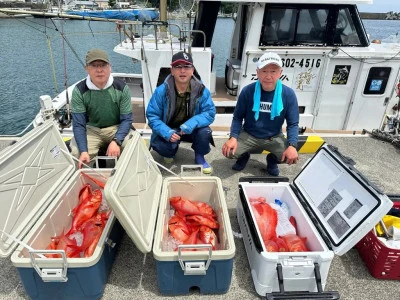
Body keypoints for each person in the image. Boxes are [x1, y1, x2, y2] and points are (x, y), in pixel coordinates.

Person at [222, 52, 299, 176]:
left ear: (280, 72)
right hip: (249, 134)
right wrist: (233, 137)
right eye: (264, 71)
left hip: (273, 136)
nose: (268, 76)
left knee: (291, 156)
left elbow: (293, 124)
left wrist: (292, 145)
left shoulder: (288, 94)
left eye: (273, 71)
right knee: (229, 151)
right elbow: (237, 118)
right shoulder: (247, 91)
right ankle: (243, 156)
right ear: (257, 72)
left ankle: (272, 160)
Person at [146, 51, 216, 174]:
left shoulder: (202, 90)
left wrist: (190, 124)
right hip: (170, 129)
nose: (182, 71)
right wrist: (166, 132)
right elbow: (152, 116)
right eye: (178, 67)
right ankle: (169, 152)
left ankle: (199, 156)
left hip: (191, 129)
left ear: (192, 70)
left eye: (186, 66)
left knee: (205, 131)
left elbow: (209, 113)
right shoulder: (161, 91)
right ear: (172, 71)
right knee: (163, 147)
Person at [70, 48, 133, 168]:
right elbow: (79, 124)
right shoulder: (79, 91)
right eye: (94, 65)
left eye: (103, 65)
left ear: (110, 67)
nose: (99, 70)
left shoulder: (121, 88)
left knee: (133, 146)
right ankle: (88, 182)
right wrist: (83, 150)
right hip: (91, 129)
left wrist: (117, 140)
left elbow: (127, 119)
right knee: (77, 153)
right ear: (87, 69)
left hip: (116, 127)